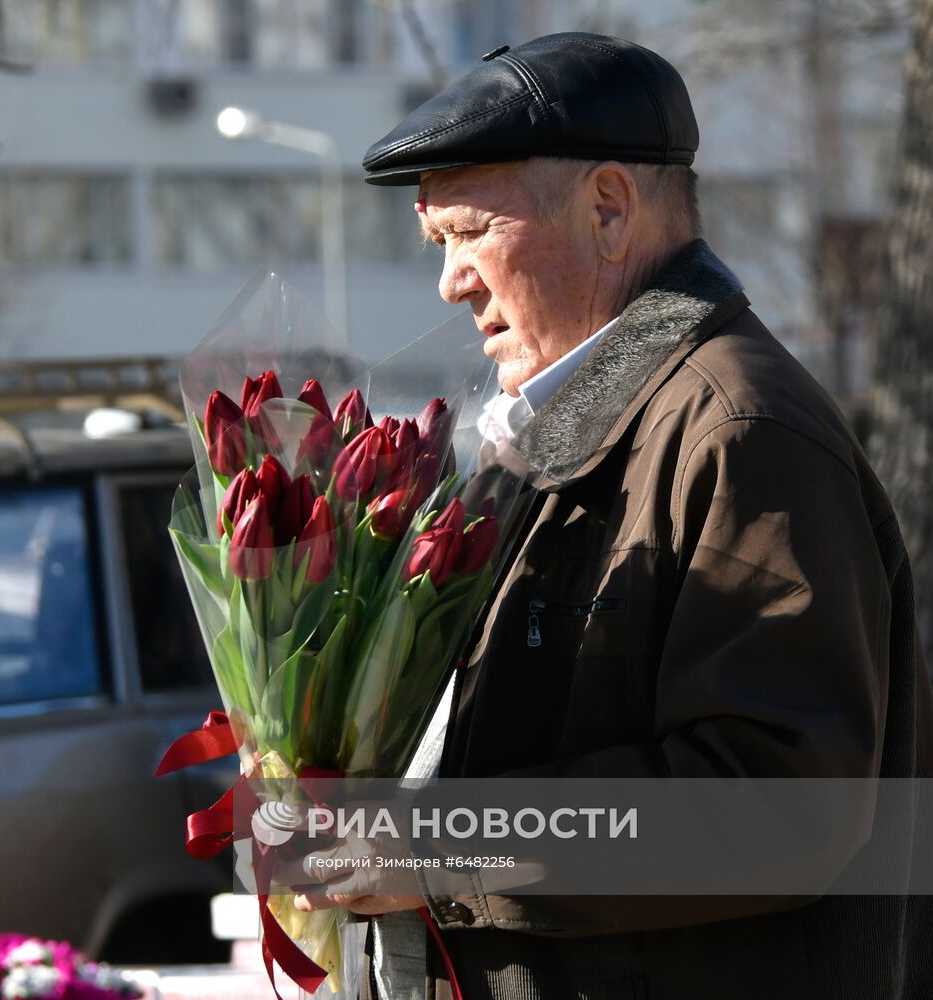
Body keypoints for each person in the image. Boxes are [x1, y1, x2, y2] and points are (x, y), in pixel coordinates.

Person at [293, 31, 933, 999]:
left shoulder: (738, 433)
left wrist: (436, 847)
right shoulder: (558, 433)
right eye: (437, 245)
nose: (449, 281)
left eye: (469, 232)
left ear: (606, 208)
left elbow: (774, 810)